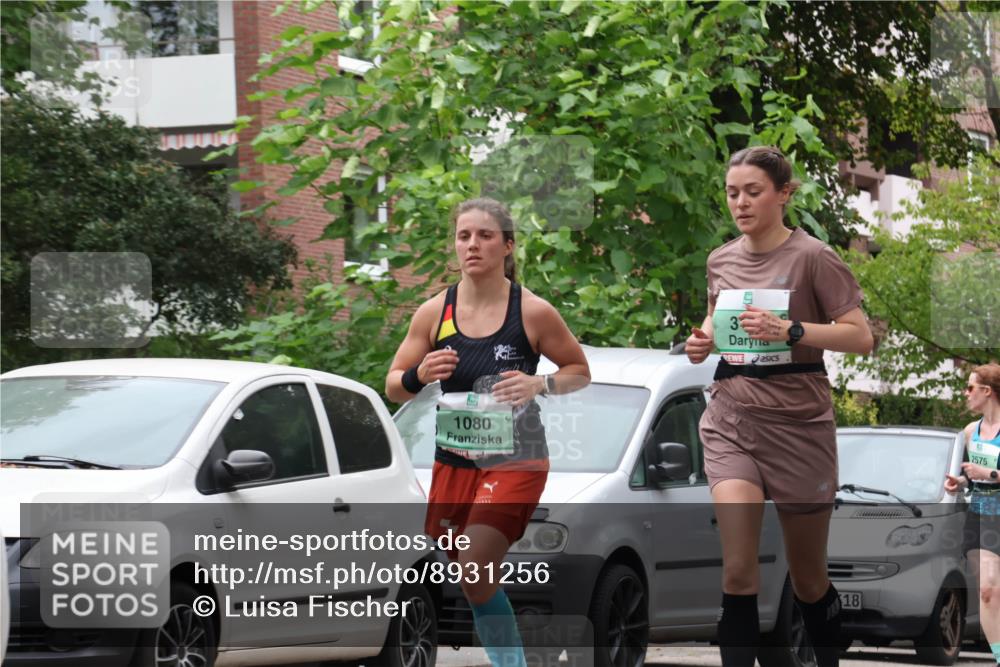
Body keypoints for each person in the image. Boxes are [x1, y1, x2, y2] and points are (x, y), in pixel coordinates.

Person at [685, 146, 874, 667]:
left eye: (753, 192)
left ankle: (828, 652)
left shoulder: (813, 257)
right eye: (731, 193)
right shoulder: (719, 259)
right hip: (732, 416)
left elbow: (861, 338)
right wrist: (701, 342)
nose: (740, 203)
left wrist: (791, 330)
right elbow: (714, 326)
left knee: (809, 577)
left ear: (784, 194)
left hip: (799, 422)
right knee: (738, 570)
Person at [386, 197, 590, 667]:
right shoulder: (434, 313)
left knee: (475, 563)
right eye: (463, 236)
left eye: (484, 236)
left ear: (507, 246)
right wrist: (421, 374)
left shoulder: (533, 312)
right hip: (454, 461)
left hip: (517, 457)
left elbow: (579, 370)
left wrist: (540, 382)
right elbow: (394, 386)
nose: (472, 245)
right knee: (472, 576)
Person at [944, 363, 1000, 663]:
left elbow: (989, 473)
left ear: (987, 391)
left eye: (970, 388)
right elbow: (972, 475)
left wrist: (989, 473)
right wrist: (961, 482)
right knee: (988, 593)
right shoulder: (969, 432)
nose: (965, 394)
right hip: (981, 516)